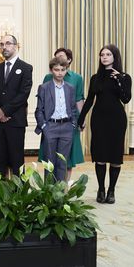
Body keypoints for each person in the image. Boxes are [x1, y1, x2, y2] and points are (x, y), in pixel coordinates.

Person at [78, 44, 132, 204]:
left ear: (115, 57)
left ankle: (111, 190)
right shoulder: (96, 78)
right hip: (99, 120)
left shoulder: (124, 77)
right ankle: (101, 189)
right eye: (102, 55)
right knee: (100, 156)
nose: (104, 57)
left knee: (115, 156)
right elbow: (89, 100)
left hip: (117, 120)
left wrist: (120, 81)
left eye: (108, 54)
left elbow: (126, 99)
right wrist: (80, 120)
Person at [38, 48, 84, 185]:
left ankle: (60, 193)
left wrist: (74, 124)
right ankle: (49, 192)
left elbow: (73, 108)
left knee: (63, 162)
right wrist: (44, 126)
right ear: (52, 70)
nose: (60, 73)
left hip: (66, 127)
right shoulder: (44, 87)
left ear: (66, 69)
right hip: (50, 126)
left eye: (62, 70)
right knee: (49, 162)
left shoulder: (70, 87)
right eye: (56, 70)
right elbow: (39, 110)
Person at [0, 35, 33, 177]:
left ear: (15, 46)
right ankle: (0, 195)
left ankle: (18, 195)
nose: (4, 47)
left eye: (8, 43)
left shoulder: (26, 68)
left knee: (16, 161)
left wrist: (5, 111)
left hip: (15, 121)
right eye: (1, 44)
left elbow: (23, 94)